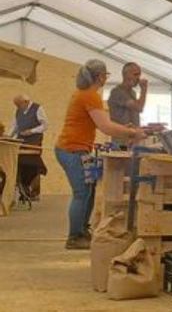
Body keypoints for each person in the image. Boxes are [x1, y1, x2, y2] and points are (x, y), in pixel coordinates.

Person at [54, 60, 144, 249]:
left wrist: (123, 129)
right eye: (105, 75)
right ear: (99, 77)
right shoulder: (90, 97)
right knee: (81, 193)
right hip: (72, 149)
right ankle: (74, 237)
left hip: (76, 148)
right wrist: (131, 132)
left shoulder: (84, 94)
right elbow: (105, 126)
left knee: (88, 191)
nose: (105, 78)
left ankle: (81, 231)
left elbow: (104, 123)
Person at [11, 95, 47, 200]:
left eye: (19, 105)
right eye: (16, 105)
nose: (18, 107)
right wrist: (9, 137)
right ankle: (24, 190)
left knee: (33, 163)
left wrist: (31, 131)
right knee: (21, 162)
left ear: (25, 102)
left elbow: (45, 125)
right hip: (21, 141)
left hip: (34, 141)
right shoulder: (18, 110)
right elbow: (15, 126)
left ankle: (34, 193)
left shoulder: (38, 108)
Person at [107, 62, 148, 128]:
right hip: (121, 136)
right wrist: (144, 90)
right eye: (135, 74)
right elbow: (139, 108)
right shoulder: (117, 92)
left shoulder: (132, 92)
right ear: (125, 75)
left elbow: (137, 109)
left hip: (132, 135)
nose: (138, 78)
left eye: (139, 75)